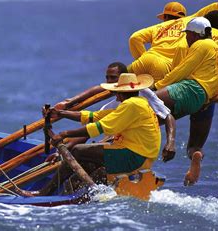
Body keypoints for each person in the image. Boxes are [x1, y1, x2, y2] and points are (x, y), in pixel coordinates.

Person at [24, 73, 161, 196]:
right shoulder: (138, 103)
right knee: (87, 161)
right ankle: (73, 194)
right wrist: (61, 113)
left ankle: (45, 192)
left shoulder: (132, 105)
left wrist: (65, 134)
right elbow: (94, 116)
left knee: (77, 150)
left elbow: (100, 127)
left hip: (135, 157)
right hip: (141, 155)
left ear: (119, 93)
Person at [153, 17, 218, 186]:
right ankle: (196, 155)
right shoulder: (217, 50)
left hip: (189, 90)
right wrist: (210, 96)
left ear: (195, 34)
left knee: (141, 106)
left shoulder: (200, 45)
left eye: (188, 34)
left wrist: (157, 87)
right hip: (204, 100)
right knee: (193, 145)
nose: (186, 38)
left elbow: (182, 71)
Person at [52, 62, 176, 163]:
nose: (109, 82)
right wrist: (62, 111)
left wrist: (170, 143)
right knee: (88, 149)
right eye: (107, 78)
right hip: (128, 142)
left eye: (113, 78)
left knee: (79, 150)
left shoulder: (138, 98)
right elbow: (92, 118)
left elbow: (167, 116)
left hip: (138, 150)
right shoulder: (117, 103)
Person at [128, 2, 218, 82]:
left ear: (165, 17)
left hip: (145, 59)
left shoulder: (158, 27)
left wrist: (143, 58)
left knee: (119, 83)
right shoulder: (188, 22)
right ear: (183, 17)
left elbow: (134, 38)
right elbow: (217, 5)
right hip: (163, 66)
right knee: (155, 101)